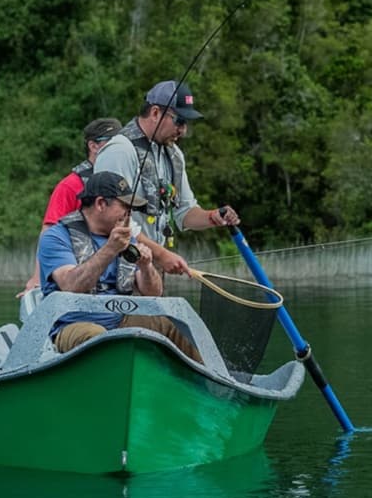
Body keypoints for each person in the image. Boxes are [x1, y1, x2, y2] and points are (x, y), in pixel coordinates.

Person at [37, 171, 202, 361]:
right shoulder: (56, 237)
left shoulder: (126, 238)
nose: (129, 214)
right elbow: (70, 285)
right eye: (125, 206)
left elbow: (154, 293)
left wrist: (146, 266)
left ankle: (203, 376)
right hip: (73, 325)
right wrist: (110, 249)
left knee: (175, 325)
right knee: (98, 338)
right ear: (100, 204)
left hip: (121, 321)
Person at [93, 80, 240, 258]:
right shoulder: (119, 150)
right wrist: (162, 255)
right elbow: (110, 218)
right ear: (155, 113)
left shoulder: (174, 155)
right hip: (116, 264)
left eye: (186, 123)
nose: (183, 130)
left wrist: (213, 216)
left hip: (149, 265)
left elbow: (184, 211)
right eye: (180, 121)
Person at [20, 118, 122, 296]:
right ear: (93, 146)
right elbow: (49, 230)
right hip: (73, 272)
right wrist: (37, 278)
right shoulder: (70, 185)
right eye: (111, 142)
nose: (118, 149)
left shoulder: (121, 184)